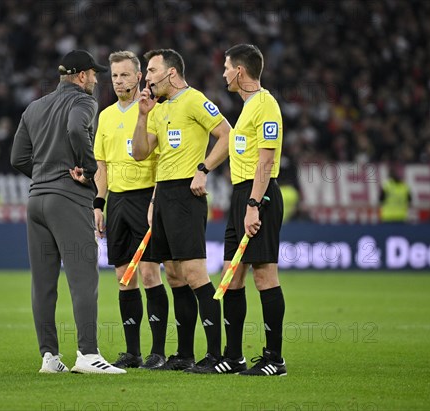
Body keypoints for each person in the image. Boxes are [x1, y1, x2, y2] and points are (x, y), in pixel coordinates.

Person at [10, 49, 125, 375]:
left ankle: (49, 357)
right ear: (80, 76)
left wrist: (45, 174)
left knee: (43, 284)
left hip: (37, 202)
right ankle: (88, 355)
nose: (96, 79)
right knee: (83, 278)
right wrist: (88, 170)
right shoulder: (84, 103)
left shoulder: (34, 107)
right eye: (93, 74)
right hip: (68, 200)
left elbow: (18, 157)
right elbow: (76, 130)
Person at [132, 49, 231, 373]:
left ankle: (217, 356)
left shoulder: (194, 100)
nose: (147, 77)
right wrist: (143, 115)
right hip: (163, 197)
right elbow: (141, 154)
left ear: (171, 73)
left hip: (187, 195)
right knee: (173, 275)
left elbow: (226, 135)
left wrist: (203, 169)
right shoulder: (158, 110)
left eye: (151, 70)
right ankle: (185, 354)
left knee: (194, 274)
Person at [93, 51, 171, 370]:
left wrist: (155, 199)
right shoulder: (107, 116)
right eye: (114, 76)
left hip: (144, 198)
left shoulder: (153, 110)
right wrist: (98, 204)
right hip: (118, 202)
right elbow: (102, 165)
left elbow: (164, 160)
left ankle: (158, 351)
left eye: (125, 75)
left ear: (139, 77)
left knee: (150, 272)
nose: (118, 81)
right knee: (124, 278)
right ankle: (132, 352)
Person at [220, 44, 287, 376]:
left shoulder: (266, 105)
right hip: (240, 194)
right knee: (231, 277)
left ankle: (275, 359)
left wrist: (253, 205)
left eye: (226, 67)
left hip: (258, 196)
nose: (223, 73)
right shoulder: (247, 107)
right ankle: (233, 356)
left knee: (264, 275)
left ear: (240, 72)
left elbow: (266, 160)